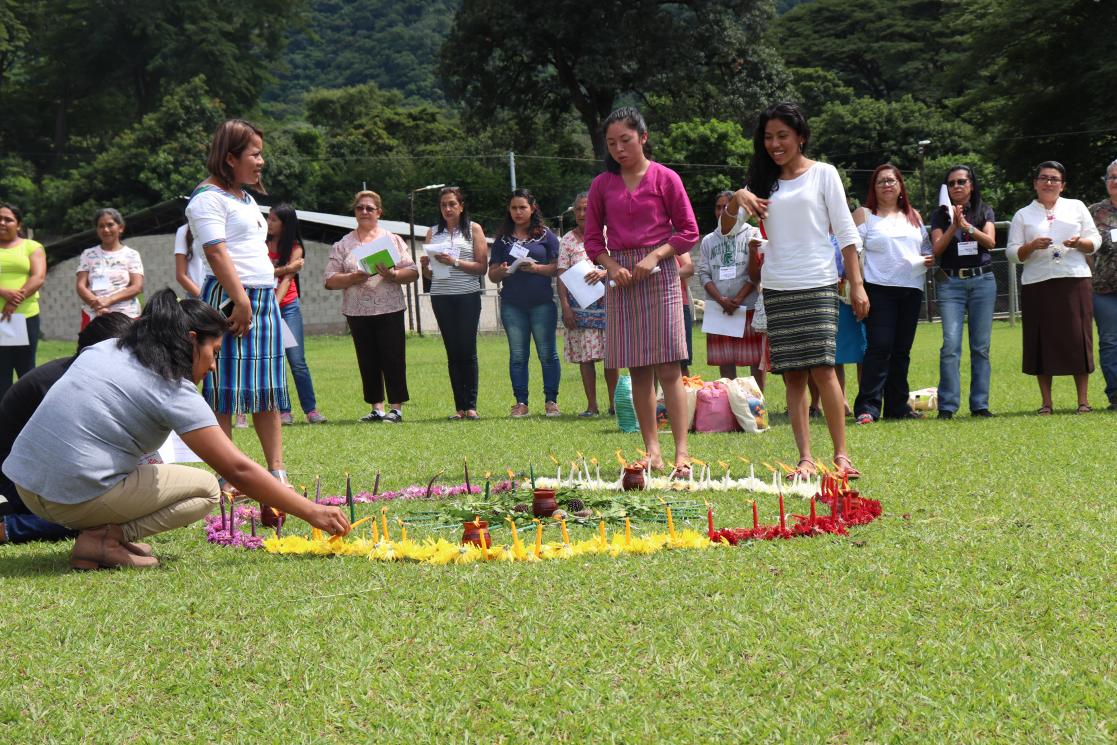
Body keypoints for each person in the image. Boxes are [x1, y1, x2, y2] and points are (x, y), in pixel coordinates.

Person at [2, 290, 349, 570]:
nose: (213, 366)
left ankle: (104, 536)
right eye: (213, 352)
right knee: (205, 490)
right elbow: (238, 469)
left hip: (24, 484)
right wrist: (312, 511)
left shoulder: (107, 347)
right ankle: (104, 539)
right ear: (192, 340)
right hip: (67, 497)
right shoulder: (171, 388)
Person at [725, 102, 867, 479]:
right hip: (777, 287)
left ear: (800, 137)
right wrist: (737, 200)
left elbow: (847, 233)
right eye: (768, 137)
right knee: (792, 376)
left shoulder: (823, 174)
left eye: (782, 136)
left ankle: (841, 457)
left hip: (819, 282)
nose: (775, 144)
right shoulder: (759, 183)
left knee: (823, 368)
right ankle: (804, 459)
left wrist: (857, 285)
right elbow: (726, 230)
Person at [584, 107, 699, 475]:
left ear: (644, 137)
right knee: (637, 370)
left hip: (661, 274)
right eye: (612, 143)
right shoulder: (602, 184)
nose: (619, 149)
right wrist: (613, 267)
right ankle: (652, 451)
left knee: (669, 367)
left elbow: (688, 231)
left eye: (626, 140)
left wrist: (656, 256)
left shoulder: (666, 178)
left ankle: (682, 453)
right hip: (622, 279)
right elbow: (591, 240)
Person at [185, 118, 290, 489]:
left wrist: (257, 297)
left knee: (268, 386)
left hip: (261, 297)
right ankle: (228, 477)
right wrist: (240, 301)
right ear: (230, 158)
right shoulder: (206, 198)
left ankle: (276, 474)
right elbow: (215, 252)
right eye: (255, 154)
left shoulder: (245, 198)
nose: (261, 161)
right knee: (222, 388)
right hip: (230, 299)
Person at [0, 313, 133, 544]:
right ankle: (10, 528)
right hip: (16, 475)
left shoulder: (79, 376)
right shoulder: (63, 385)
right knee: (94, 517)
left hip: (32, 467)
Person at [1007, 161, 1101, 414]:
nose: (1049, 183)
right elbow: (1013, 253)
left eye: (1054, 179)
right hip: (1038, 282)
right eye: (1044, 178)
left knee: (1078, 338)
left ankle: (1083, 401)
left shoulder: (1076, 207)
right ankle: (1046, 403)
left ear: (1063, 185)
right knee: (1041, 339)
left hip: (1074, 278)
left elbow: (1096, 239)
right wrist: (1031, 246)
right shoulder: (1023, 214)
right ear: (1035, 183)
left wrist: (1079, 242)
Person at [324, 190, 419, 423]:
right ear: (355, 212)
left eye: (369, 208)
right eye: (360, 208)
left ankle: (395, 408)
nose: (364, 212)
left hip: (390, 307)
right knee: (367, 360)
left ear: (379, 212)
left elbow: (413, 271)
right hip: (357, 311)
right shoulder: (344, 244)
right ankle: (377, 408)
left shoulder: (392, 239)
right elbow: (329, 279)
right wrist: (352, 278)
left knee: (393, 358)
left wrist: (394, 273)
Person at [852, 164, 933, 422]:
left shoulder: (914, 216)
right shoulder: (865, 215)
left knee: (901, 350)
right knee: (880, 346)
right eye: (881, 182)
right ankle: (868, 407)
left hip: (910, 287)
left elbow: (926, 247)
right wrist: (858, 287)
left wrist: (928, 259)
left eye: (891, 180)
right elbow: (851, 251)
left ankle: (898, 408)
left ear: (900, 186)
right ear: (873, 188)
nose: (887, 185)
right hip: (878, 289)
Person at [929, 165, 997, 419]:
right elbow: (936, 249)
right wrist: (952, 225)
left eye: (961, 182)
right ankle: (947, 406)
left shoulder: (984, 209)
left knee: (980, 347)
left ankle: (980, 404)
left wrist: (967, 226)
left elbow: (990, 242)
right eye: (951, 183)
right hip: (950, 283)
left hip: (982, 281)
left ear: (971, 184)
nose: (956, 187)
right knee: (951, 345)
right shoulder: (940, 214)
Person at [489, 188, 562, 417]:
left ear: (533, 208)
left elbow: (558, 267)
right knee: (518, 355)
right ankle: (521, 402)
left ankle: (551, 401)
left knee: (547, 354)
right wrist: (502, 271)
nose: (518, 212)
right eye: (513, 208)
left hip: (542, 303)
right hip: (512, 304)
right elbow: (491, 275)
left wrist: (537, 268)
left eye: (522, 207)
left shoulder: (546, 235)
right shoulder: (502, 239)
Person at [421, 187, 489, 420]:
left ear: (461, 206)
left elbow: (482, 267)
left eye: (452, 204)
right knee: (452, 352)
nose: (447, 209)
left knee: (467, 350)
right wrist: (425, 267)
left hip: (467, 295)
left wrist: (455, 261)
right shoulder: (432, 233)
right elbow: (430, 276)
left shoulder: (473, 229)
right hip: (441, 296)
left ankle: (471, 406)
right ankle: (459, 408)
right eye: (443, 205)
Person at [556, 191, 618, 416]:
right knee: (586, 357)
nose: (583, 213)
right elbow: (561, 275)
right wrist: (565, 307)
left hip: (608, 305)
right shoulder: (568, 241)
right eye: (579, 209)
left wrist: (603, 273)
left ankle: (614, 404)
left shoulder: (609, 235)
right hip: (579, 308)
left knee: (611, 357)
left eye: (587, 208)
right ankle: (592, 406)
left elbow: (619, 264)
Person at [697, 190, 766, 387]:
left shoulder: (753, 233)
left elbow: (757, 271)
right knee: (725, 361)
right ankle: (729, 403)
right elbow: (703, 273)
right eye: (718, 207)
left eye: (726, 207)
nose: (721, 211)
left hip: (747, 306)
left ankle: (756, 404)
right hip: (719, 308)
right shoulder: (709, 240)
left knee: (754, 360)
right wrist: (721, 299)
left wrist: (738, 298)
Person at [267, 203, 326, 425]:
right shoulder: (259, 245)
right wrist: (285, 269)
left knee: (296, 360)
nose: (268, 223)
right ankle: (284, 411)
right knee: (275, 361)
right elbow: (261, 272)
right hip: (264, 308)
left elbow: (287, 280)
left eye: (273, 220)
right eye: (268, 218)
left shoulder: (295, 247)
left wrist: (275, 303)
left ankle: (310, 410)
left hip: (287, 307)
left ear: (285, 224)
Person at [0, 203, 45, 399]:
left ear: (18, 224)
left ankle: (27, 413)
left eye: (8, 219)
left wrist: (13, 301)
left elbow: (38, 276)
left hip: (23, 316)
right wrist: (4, 292)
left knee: (25, 368)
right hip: (0, 320)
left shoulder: (31, 247)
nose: (2, 223)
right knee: (2, 370)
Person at [75, 207, 144, 329]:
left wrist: (109, 300)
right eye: (101, 226)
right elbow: (81, 285)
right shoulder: (88, 254)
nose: (106, 230)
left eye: (110, 225)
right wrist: (98, 305)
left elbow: (137, 287)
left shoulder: (131, 255)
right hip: (94, 315)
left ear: (120, 227)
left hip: (125, 316)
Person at [1089, 158, 1117, 409]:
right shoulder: (1094, 212)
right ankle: (1116, 394)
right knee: (1109, 341)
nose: (1116, 181)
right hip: (1103, 290)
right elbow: (1086, 251)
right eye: (1112, 177)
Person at [174, 220, 206, 298]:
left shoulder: (221, 226)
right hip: (198, 298)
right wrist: (203, 298)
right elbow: (181, 275)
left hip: (223, 294)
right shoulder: (183, 231)